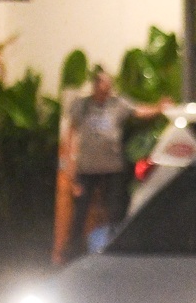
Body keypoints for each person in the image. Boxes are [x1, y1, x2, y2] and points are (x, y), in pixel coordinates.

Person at [63, 67, 171, 259]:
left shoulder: (117, 104)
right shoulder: (82, 106)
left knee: (114, 211)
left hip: (112, 168)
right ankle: (72, 252)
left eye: (108, 82)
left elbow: (138, 111)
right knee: (80, 212)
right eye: (102, 82)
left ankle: (113, 249)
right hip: (87, 169)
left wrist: (159, 107)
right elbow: (71, 132)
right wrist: (69, 166)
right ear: (95, 85)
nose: (106, 86)